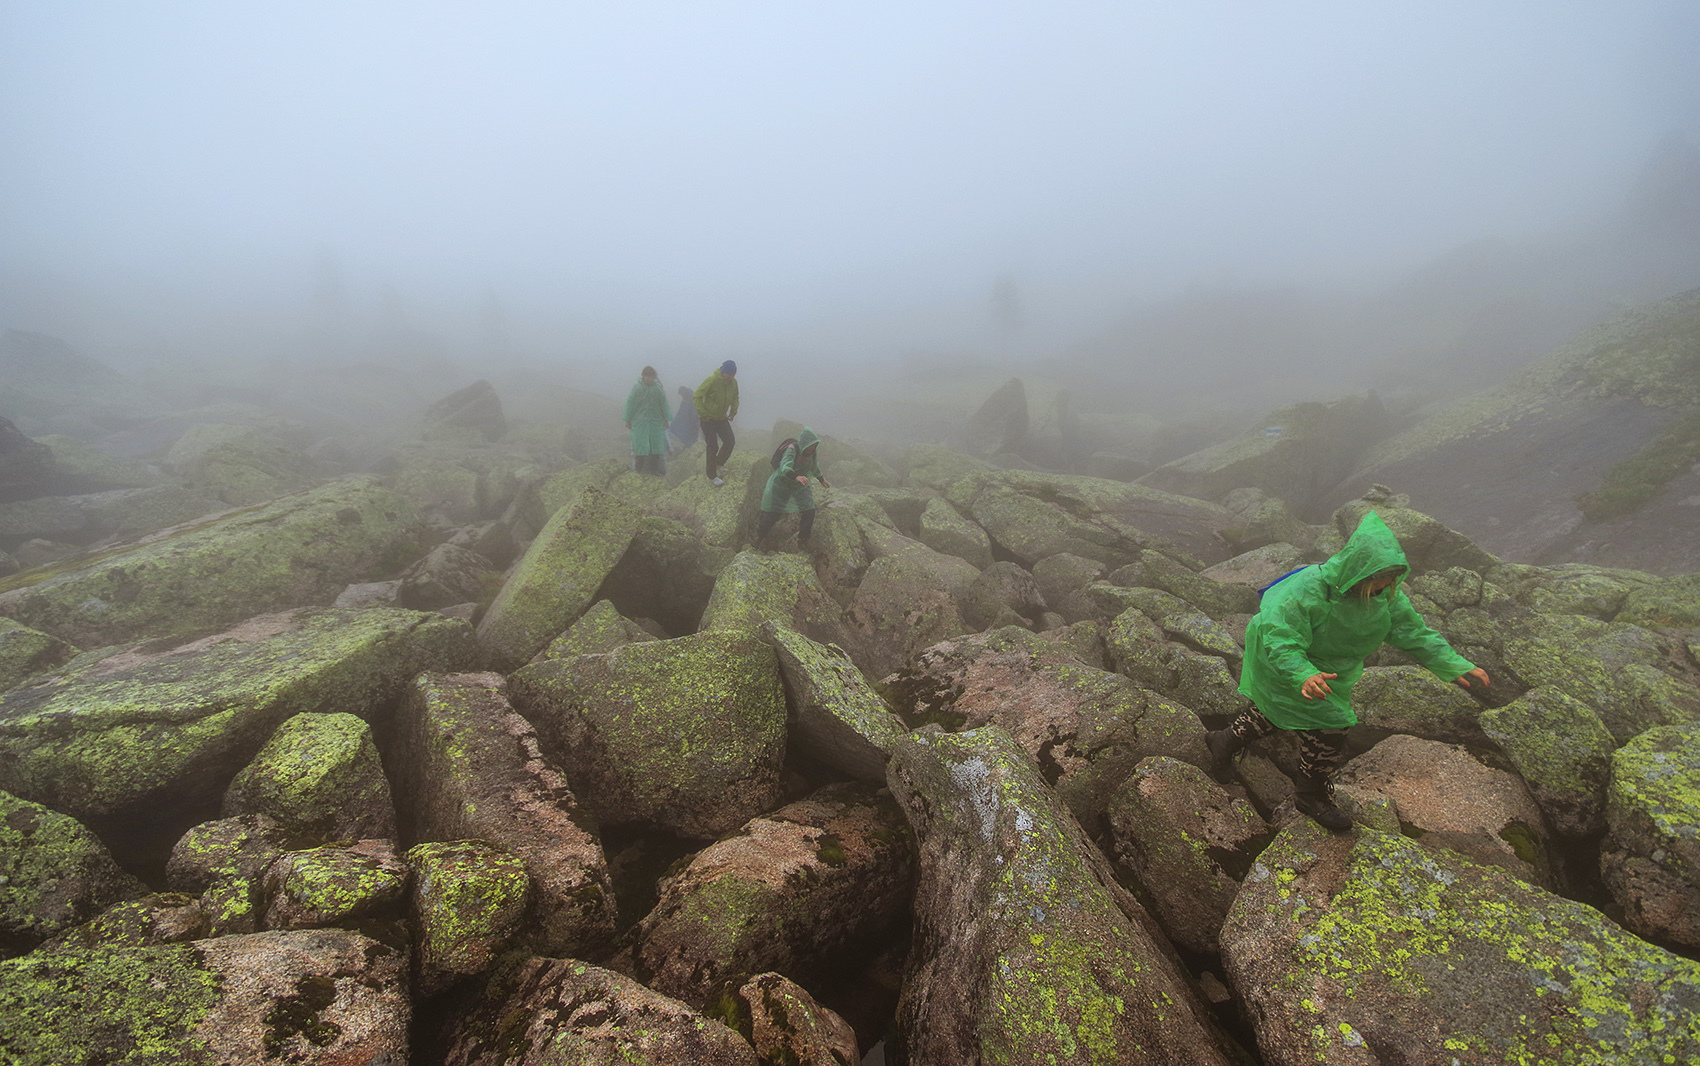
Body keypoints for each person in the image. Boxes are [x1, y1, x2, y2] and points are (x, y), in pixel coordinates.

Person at [1207, 511, 1490, 831]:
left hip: (1329, 666)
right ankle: (1309, 793)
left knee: (1278, 711)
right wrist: (1302, 673)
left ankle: (1223, 741)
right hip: (1281, 656)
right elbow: (1281, 637)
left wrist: (1453, 664)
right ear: (1359, 569)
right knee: (1331, 723)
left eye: (1392, 578)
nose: (1384, 585)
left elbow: (1413, 632)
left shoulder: (1387, 595)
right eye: (1379, 578)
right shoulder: (1308, 589)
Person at [754, 427, 830, 549]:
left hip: (801, 486)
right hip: (782, 485)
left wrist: (821, 479)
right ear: (805, 443)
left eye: (815, 446)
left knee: (809, 510)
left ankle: (803, 540)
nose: (813, 449)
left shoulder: (812, 453)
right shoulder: (793, 449)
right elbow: (785, 466)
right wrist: (796, 476)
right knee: (775, 513)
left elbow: (814, 467)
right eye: (811, 445)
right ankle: (759, 538)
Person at [694, 360, 739, 486]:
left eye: (732, 374)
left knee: (730, 441)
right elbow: (697, 396)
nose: (729, 376)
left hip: (721, 417)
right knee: (713, 446)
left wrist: (733, 411)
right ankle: (712, 475)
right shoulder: (712, 380)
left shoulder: (733, 383)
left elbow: (735, 397)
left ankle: (719, 463)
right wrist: (703, 414)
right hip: (708, 419)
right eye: (727, 373)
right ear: (722, 371)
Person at [622, 366, 671, 476]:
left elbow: (663, 404)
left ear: (655, 377)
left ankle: (654, 472)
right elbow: (630, 404)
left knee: (656, 447)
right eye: (647, 376)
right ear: (643, 376)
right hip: (640, 422)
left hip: (656, 422)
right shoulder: (637, 388)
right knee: (640, 447)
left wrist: (666, 419)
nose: (649, 379)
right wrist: (627, 419)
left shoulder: (658, 389)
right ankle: (638, 471)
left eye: (651, 377)